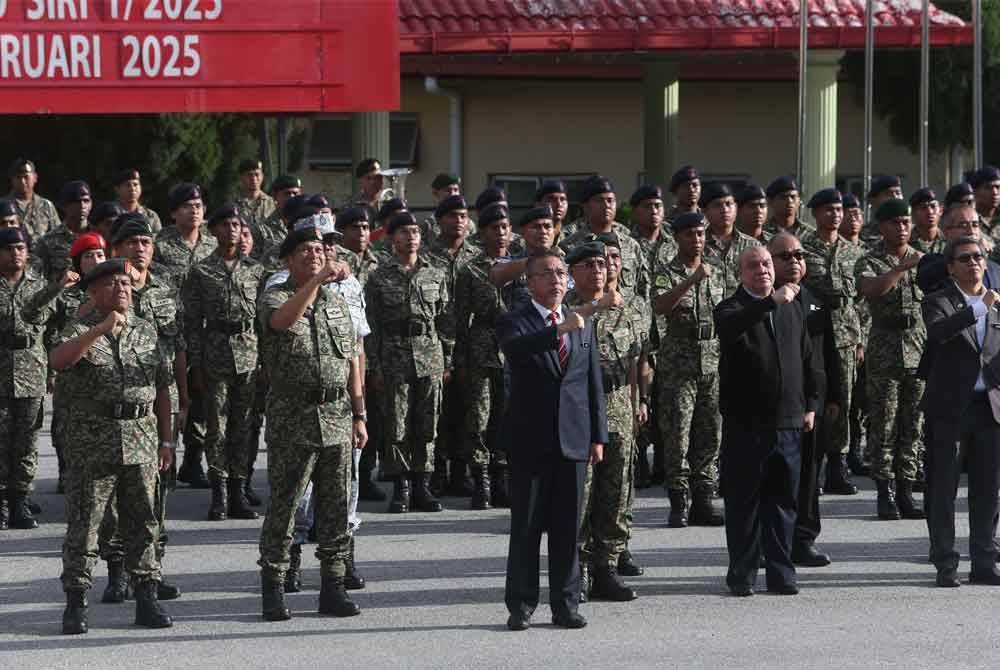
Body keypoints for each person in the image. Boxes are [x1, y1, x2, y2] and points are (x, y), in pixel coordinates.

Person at [51, 258, 175, 634]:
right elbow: (58, 361)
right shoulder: (76, 328)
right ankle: (76, 601)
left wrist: (168, 439)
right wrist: (100, 330)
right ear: (93, 292)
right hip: (93, 442)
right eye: (112, 283)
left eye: (125, 282)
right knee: (85, 525)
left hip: (141, 439)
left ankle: (146, 597)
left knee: (144, 522)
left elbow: (164, 389)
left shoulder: (146, 331)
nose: (122, 288)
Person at [256, 225, 367, 621]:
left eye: (319, 250)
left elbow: (353, 355)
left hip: (337, 416)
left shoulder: (337, 304)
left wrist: (359, 412)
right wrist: (317, 281)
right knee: (287, 508)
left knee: (335, 506)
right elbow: (282, 323)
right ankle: (274, 586)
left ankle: (333, 586)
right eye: (304, 250)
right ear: (287, 260)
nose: (315, 255)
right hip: (294, 418)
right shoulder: (275, 296)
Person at [499, 250, 608, 631]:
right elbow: (515, 349)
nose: (557, 280)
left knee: (567, 529)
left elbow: (592, 382)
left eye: (562, 273)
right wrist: (559, 330)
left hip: (574, 440)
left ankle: (566, 604)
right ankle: (522, 605)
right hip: (530, 440)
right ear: (530, 283)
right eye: (547, 274)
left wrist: (598, 434)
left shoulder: (583, 322)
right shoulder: (517, 319)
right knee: (526, 528)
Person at [714, 246, 818, 597]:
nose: (763, 270)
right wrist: (770, 302)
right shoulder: (732, 308)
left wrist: (811, 403)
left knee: (784, 502)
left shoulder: (792, 309)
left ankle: (781, 572)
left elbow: (806, 357)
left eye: (767, 264)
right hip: (747, 424)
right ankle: (742, 574)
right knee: (744, 504)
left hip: (788, 421)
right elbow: (731, 328)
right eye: (754, 265)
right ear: (741, 273)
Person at [104, 212, 187, 602]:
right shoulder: (105, 289)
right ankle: (117, 571)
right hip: (115, 401)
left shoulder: (165, 289)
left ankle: (151, 571)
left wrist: (183, 395)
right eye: (132, 243)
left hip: (159, 397)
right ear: (116, 249)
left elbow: (178, 344)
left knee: (156, 489)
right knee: (115, 494)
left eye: (146, 243)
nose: (141, 248)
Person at [566, 238, 643, 603]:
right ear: (573, 272)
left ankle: (606, 568)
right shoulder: (567, 310)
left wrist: (637, 405)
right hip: (580, 415)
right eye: (589, 265)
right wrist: (596, 307)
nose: (599, 270)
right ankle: (575, 570)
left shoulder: (625, 310)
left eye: (603, 263)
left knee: (615, 495)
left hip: (619, 411)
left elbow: (633, 365)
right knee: (581, 497)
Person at [921, 236, 1000, 587]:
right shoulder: (938, 300)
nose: (973, 263)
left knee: (988, 489)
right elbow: (939, 333)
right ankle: (945, 562)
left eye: (978, 257)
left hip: (990, 407)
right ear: (951, 266)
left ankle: (983, 561)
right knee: (944, 488)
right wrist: (979, 307)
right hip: (951, 408)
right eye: (965, 258)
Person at [365, 211, 453, 514]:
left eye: (415, 231)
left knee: (427, 424)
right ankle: (401, 486)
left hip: (429, 355)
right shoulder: (378, 277)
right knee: (396, 424)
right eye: (403, 232)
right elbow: (371, 325)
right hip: (393, 356)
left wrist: (447, 360)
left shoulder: (435, 273)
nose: (410, 236)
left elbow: (446, 320)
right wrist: (374, 366)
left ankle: (421, 485)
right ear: (391, 239)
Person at [182, 204, 264, 522]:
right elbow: (192, 321)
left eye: (237, 225)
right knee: (216, 427)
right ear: (214, 231)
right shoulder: (201, 271)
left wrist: (264, 363)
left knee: (243, 425)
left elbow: (262, 320)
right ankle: (219, 493)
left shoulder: (255, 271)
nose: (232, 230)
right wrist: (196, 365)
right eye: (226, 225)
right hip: (214, 353)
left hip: (248, 355)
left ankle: (239, 491)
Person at [651, 211, 726, 528]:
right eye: (690, 234)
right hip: (678, 363)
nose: (696, 239)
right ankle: (678, 501)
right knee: (678, 435)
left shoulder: (717, 272)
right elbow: (660, 305)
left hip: (712, 360)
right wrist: (691, 280)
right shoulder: (666, 272)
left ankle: (704, 499)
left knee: (710, 433)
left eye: (700, 233)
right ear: (678, 238)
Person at [769, 233, 838, 567]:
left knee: (810, 473)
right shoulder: (763, 301)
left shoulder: (814, 300)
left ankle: (803, 538)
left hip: (814, 401)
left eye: (799, 256)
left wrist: (836, 396)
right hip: (776, 403)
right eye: (786, 256)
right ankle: (771, 542)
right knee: (775, 475)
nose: (794, 262)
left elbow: (829, 353)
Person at [855, 199, 926, 521]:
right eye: (895, 222)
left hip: (919, 347)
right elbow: (872, 290)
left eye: (905, 222)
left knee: (913, 423)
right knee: (883, 423)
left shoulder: (925, 259)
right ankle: (885, 493)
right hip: (885, 348)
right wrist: (899, 269)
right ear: (881, 226)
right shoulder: (870, 260)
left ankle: (907, 490)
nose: (902, 228)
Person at [0, 227, 67, 530]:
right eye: (9, 248)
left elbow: (51, 331)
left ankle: (20, 500)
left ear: (28, 252)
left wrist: (52, 370)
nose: (15, 253)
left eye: (20, 248)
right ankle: (1, 501)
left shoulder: (41, 288)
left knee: (27, 441)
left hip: (31, 372)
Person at [799, 188, 865, 496]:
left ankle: (838, 465)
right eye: (828, 209)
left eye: (839, 209)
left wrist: (860, 337)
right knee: (815, 399)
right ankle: (813, 464)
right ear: (815, 213)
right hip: (814, 333)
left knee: (845, 401)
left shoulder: (853, 251)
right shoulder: (804, 248)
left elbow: (862, 300)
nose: (835, 215)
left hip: (846, 336)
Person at [154, 183, 214, 491]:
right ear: (173, 212)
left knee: (201, 397)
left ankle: (194, 460)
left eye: (199, 205)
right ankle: (168, 462)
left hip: (205, 334)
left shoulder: (213, 245)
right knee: (173, 396)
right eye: (187, 205)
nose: (195, 210)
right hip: (171, 331)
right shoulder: (160, 246)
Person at [454, 202, 512, 509]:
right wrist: (460, 360)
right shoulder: (471, 270)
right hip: (481, 349)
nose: (501, 233)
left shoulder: (522, 265)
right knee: (478, 416)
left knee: (505, 417)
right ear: (483, 232)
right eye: (494, 228)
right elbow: (461, 318)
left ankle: (502, 479)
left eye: (505, 227)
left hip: (513, 349)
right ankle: (481, 482)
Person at [424, 195, 478, 497]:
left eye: (463, 215)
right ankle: (437, 472)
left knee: (467, 409)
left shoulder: (476, 256)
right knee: (440, 412)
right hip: (437, 343)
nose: (458, 220)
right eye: (452, 215)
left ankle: (461, 471)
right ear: (440, 220)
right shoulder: (428, 257)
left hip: (472, 343)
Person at [46, 232, 106, 496]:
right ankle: (66, 472)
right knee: (64, 425)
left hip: (102, 373)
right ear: (78, 262)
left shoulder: (114, 289)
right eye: (89, 256)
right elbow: (48, 332)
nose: (96, 260)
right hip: (70, 371)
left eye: (100, 254)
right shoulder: (66, 296)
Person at [701, 182, 760, 294]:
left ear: (736, 208)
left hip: (744, 309)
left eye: (729, 204)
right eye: (717, 205)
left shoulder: (752, 246)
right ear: (705, 211)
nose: (725, 209)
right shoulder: (698, 245)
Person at [33, 180, 92, 283]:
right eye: (76, 202)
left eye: (86, 201)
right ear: (64, 206)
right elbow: (38, 280)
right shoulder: (47, 242)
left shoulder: (100, 236)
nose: (82, 206)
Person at [5, 158, 59, 240]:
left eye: (26, 177)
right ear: (12, 180)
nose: (23, 181)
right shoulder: (3, 206)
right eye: (18, 177)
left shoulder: (46, 206)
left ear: (35, 177)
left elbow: (58, 237)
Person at [250, 174, 301, 261]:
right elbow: (252, 263)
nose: (292, 197)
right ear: (275, 196)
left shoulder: (307, 224)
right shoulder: (261, 229)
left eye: (295, 193)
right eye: (287, 193)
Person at [113, 169, 162, 235]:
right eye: (128, 185)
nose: (132, 189)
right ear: (117, 189)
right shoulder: (110, 215)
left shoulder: (151, 216)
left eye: (135, 184)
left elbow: (159, 239)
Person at [235, 159, 276, 229]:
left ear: (262, 177)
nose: (253, 179)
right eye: (249, 175)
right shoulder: (233, 205)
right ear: (241, 178)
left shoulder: (272, 204)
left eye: (257, 175)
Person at [909, 188, 944, 254]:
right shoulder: (905, 241)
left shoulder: (949, 240)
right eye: (923, 208)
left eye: (933, 206)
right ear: (913, 214)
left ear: (941, 210)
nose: (930, 212)